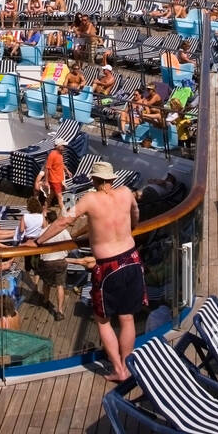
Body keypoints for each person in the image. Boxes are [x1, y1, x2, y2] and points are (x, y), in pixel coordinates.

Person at [38, 159, 145, 383]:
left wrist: (40, 241)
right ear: (112, 179)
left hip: (108, 266)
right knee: (127, 318)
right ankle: (128, 365)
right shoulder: (126, 193)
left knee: (102, 319)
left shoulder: (90, 199)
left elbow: (64, 221)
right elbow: (135, 214)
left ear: (95, 180)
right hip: (132, 259)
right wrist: (131, 229)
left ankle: (119, 370)